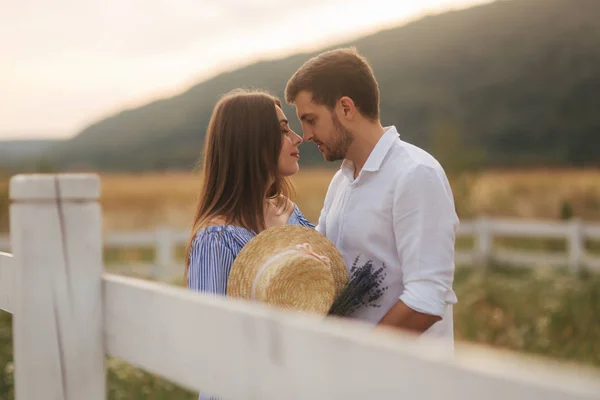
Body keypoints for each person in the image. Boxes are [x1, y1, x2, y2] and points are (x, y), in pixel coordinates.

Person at [284, 47, 459, 346]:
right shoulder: (340, 182)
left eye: (311, 119)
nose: (307, 135)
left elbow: (428, 297)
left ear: (346, 108)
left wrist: (362, 357)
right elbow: (325, 268)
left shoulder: (415, 174)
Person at [184, 88, 313, 400]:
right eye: (283, 130)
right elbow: (210, 346)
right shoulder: (216, 239)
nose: (297, 138)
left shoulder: (291, 214)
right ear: (252, 142)